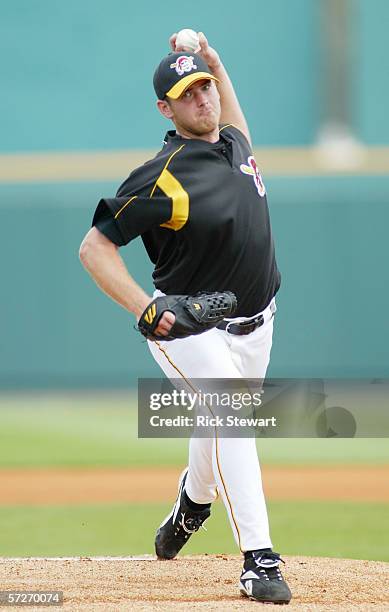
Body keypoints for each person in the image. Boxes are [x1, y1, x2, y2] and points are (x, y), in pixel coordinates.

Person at [79, 31, 292, 605]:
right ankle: (258, 559)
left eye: (205, 86)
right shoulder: (162, 174)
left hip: (257, 322)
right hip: (190, 326)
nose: (202, 98)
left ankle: (193, 503)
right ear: (165, 108)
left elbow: (230, 105)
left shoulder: (236, 144)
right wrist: (146, 307)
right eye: (187, 92)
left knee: (220, 417)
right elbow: (94, 247)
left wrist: (215, 62)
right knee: (231, 414)